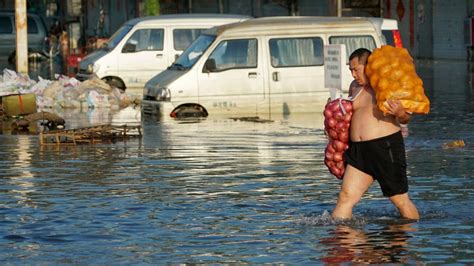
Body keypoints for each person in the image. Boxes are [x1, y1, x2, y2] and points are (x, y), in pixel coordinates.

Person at [331, 48, 420, 220]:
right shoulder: (354, 87)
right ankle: (342, 243)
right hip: (359, 151)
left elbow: (406, 118)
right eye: (350, 69)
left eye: (356, 69)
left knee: (400, 200)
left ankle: (410, 237)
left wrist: (400, 111)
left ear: (368, 66)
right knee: (345, 197)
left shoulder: (385, 84)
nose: (353, 74)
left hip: (385, 148)